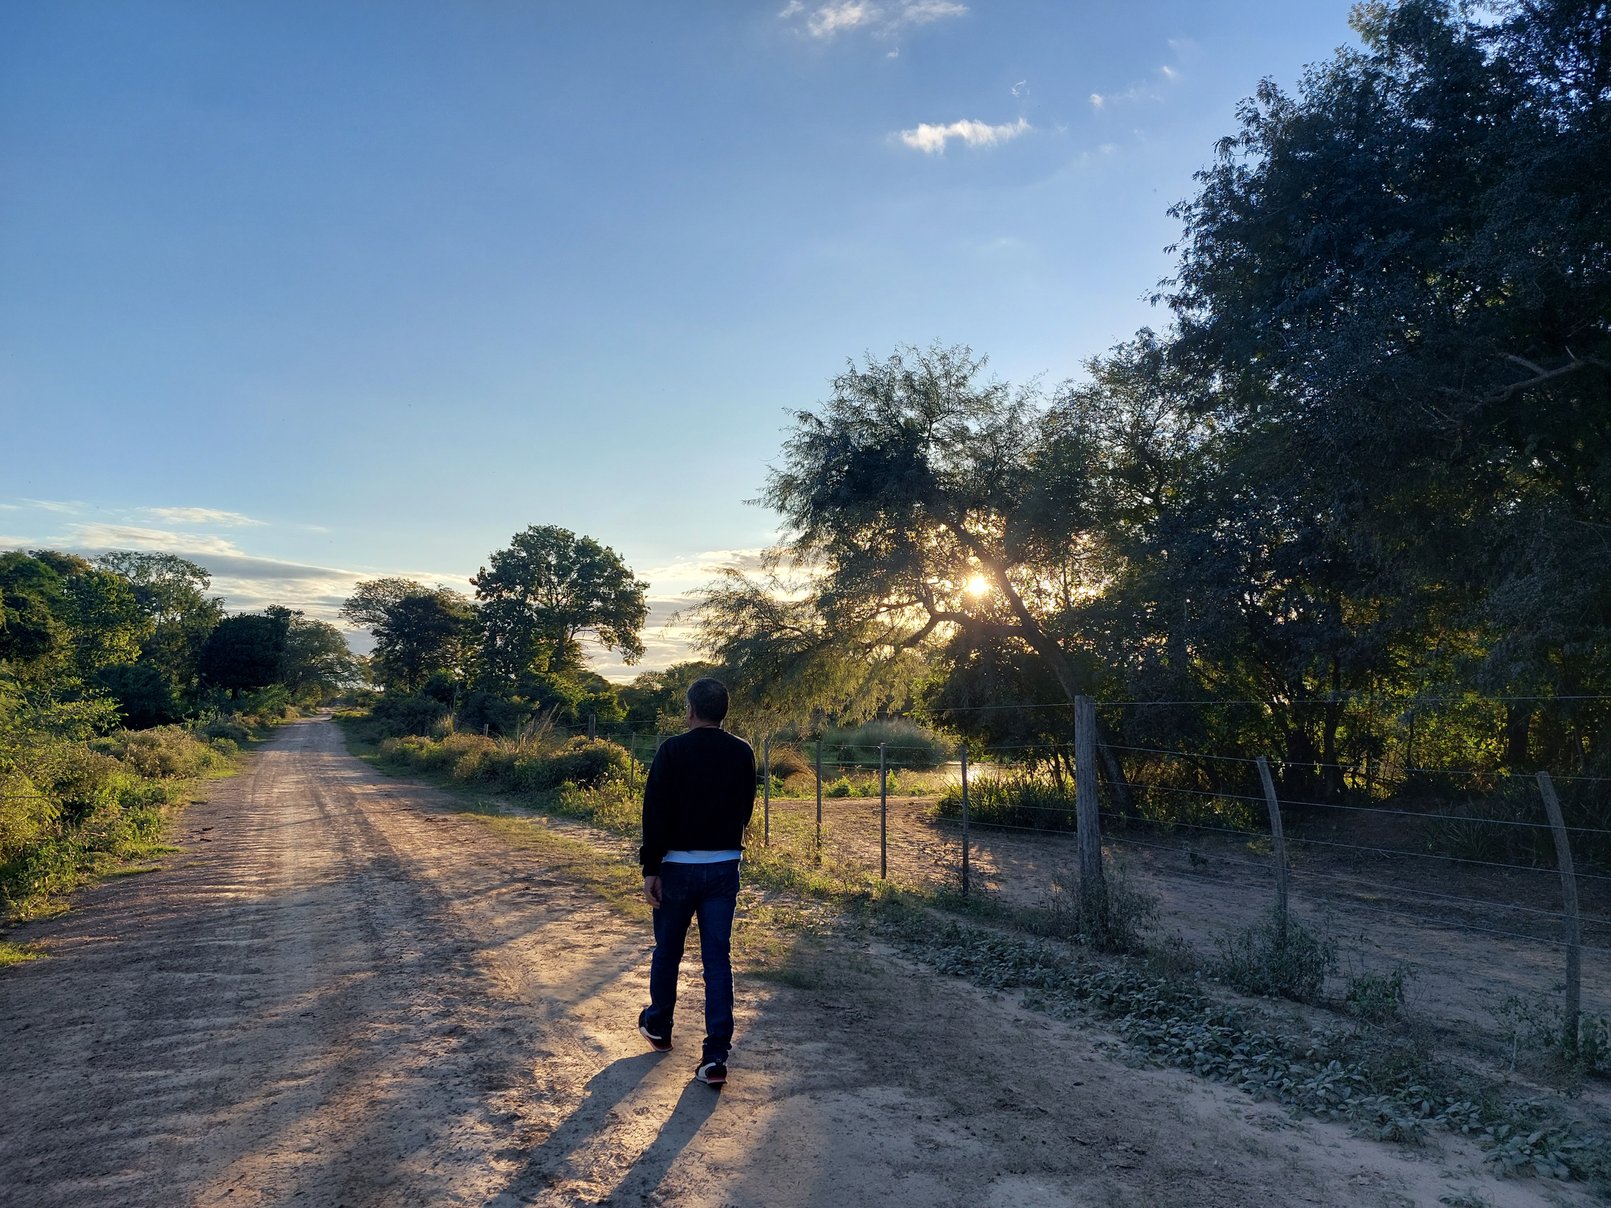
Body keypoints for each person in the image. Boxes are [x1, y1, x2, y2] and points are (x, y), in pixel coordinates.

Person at [636, 677, 755, 1087]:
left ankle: (659, 1025)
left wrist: (650, 868)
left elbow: (655, 813)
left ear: (690, 710)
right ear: (723, 711)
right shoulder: (742, 751)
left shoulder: (672, 750)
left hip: (676, 867)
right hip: (724, 866)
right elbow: (746, 811)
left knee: (668, 950)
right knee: (717, 960)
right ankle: (715, 1055)